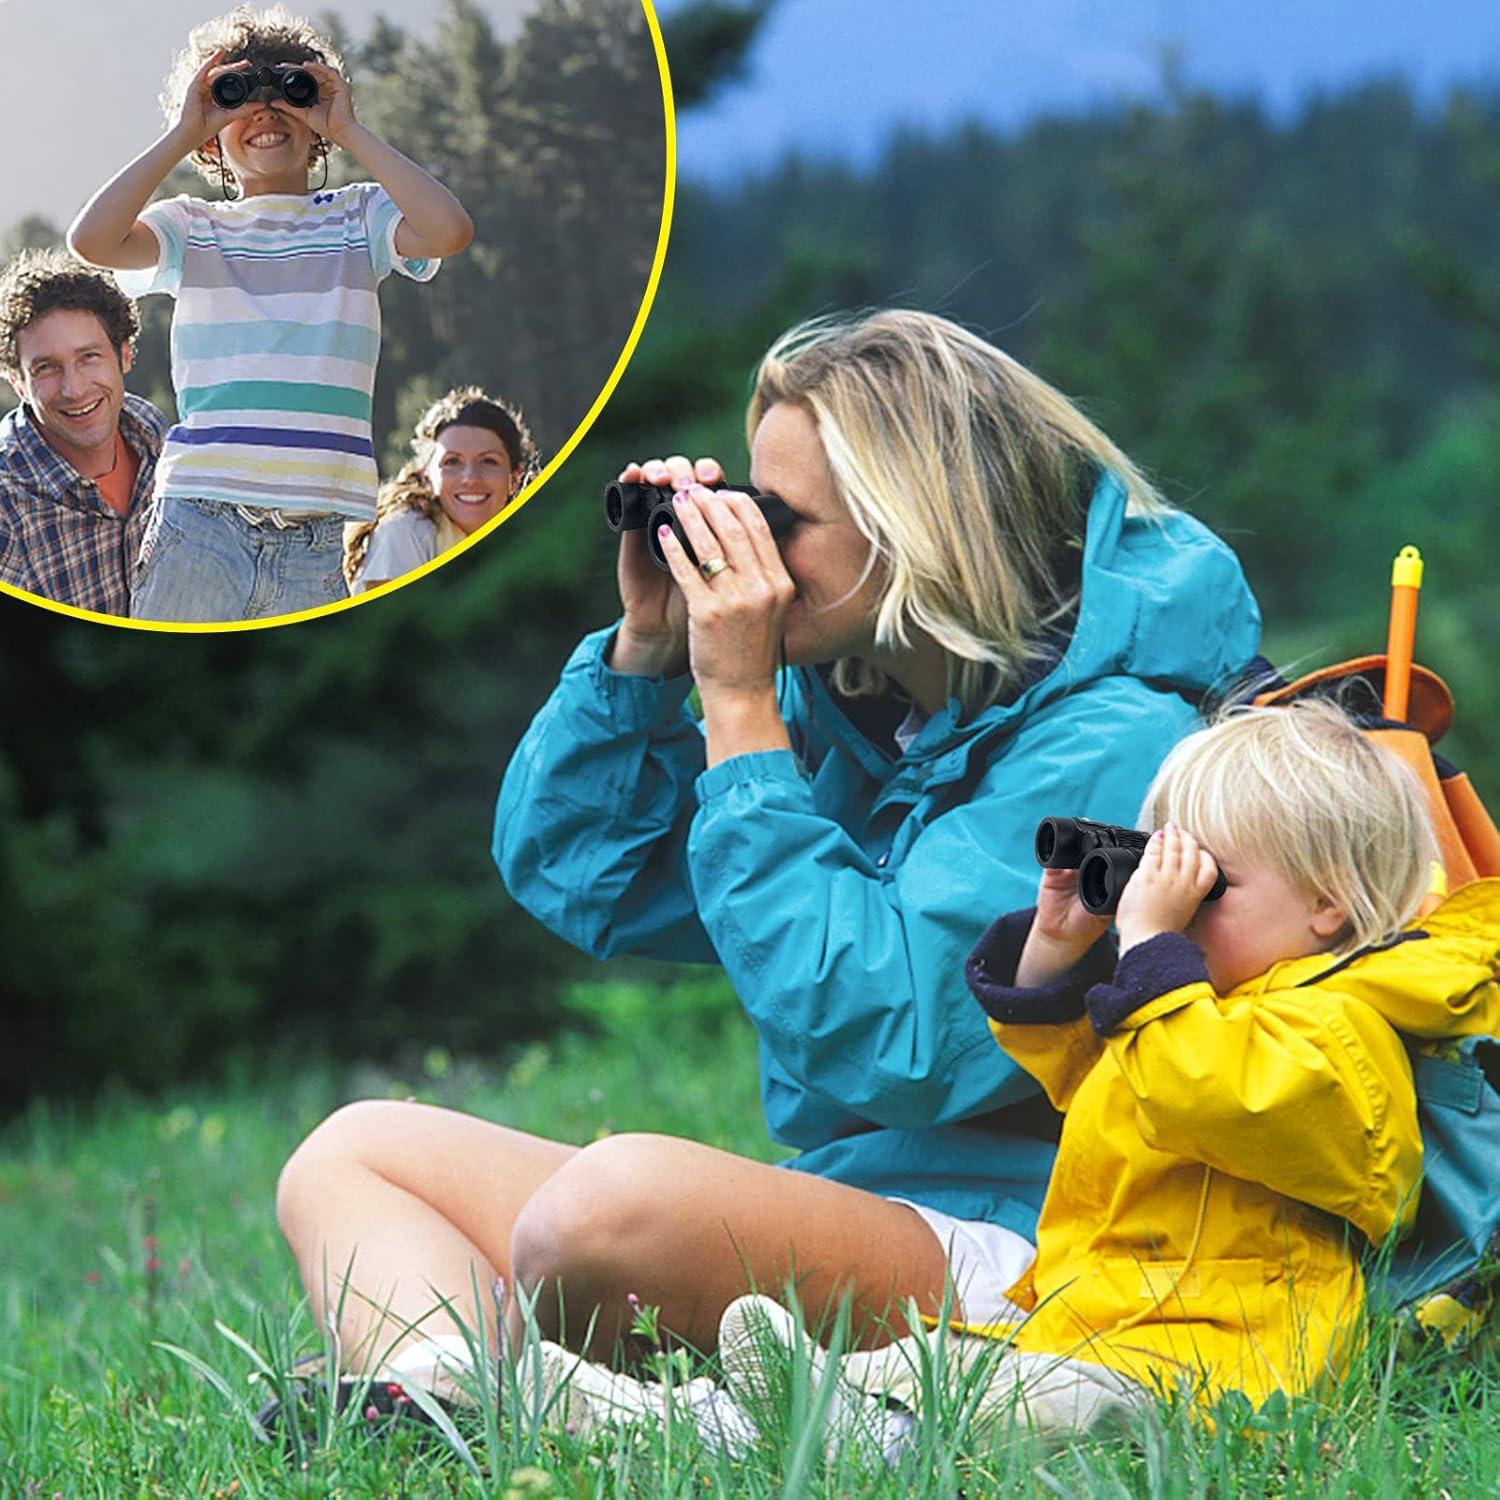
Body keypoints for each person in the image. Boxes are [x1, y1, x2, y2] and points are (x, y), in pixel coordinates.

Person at [273, 309, 1262, 1413]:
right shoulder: (867, 706)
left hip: (1048, 1240)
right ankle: (443, 1401)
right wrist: (646, 653)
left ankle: (520, 1390)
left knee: (608, 1211)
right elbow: (580, 869)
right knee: (354, 1152)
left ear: (915, 526)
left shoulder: (1120, 742)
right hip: (864, 1204)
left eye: (780, 520)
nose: (746, 545)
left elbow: (902, 1042)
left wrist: (739, 705)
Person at [67, 5, 473, 624]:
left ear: (317, 126)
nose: (264, 114)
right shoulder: (192, 226)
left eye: (289, 94)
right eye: (237, 98)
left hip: (317, 538)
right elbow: (91, 241)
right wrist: (182, 132)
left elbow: (450, 231)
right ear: (211, 139)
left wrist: (350, 129)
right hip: (201, 521)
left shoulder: (359, 217)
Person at [0, 249, 167, 616]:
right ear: (18, 383)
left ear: (124, 354)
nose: (74, 390)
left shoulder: (154, 435)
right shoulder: (8, 510)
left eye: (88, 357)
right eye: (46, 368)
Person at [344, 386, 539, 593]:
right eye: (452, 462)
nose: (471, 479)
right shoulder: (404, 532)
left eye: (489, 461)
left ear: (515, 477)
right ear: (426, 475)